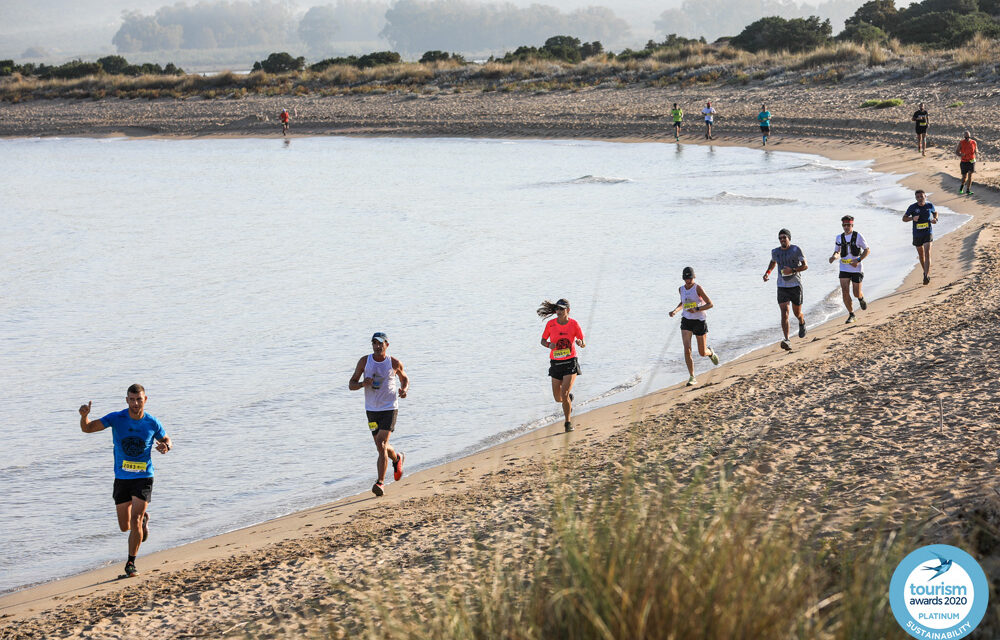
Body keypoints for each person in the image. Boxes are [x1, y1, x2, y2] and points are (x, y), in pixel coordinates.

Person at [78, 384, 172, 579]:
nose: (135, 403)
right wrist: (84, 416)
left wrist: (165, 447)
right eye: (132, 399)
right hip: (122, 478)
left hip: (144, 476)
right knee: (125, 526)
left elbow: (167, 439)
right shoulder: (116, 418)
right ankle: (144, 521)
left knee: (135, 518)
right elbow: (87, 429)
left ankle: (131, 563)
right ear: (126, 400)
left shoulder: (152, 422)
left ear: (145, 400)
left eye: (139, 399)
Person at [349, 332, 409, 497]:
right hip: (371, 411)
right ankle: (396, 458)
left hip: (389, 408)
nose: (377, 346)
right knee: (380, 446)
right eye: (374, 343)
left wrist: (404, 390)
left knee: (381, 444)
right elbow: (351, 384)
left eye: (380, 343)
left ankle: (380, 483)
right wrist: (362, 384)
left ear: (386, 345)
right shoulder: (364, 361)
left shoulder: (393, 362)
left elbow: (405, 379)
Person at [538, 298, 586, 432]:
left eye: (561, 309)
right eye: (557, 309)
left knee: (564, 394)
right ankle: (569, 400)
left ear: (568, 310)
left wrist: (580, 343)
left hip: (570, 362)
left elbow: (582, 341)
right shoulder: (551, 324)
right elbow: (542, 340)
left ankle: (567, 423)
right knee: (558, 398)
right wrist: (549, 345)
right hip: (555, 363)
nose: (558, 311)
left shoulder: (574, 324)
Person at [668, 266, 720, 386]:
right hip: (686, 321)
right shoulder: (681, 289)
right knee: (687, 349)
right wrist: (675, 311)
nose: (688, 281)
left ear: (694, 277)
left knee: (702, 352)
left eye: (690, 279)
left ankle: (710, 353)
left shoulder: (698, 288)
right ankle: (692, 377)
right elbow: (683, 303)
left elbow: (710, 304)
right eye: (686, 279)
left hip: (699, 321)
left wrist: (696, 309)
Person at [763, 228, 808, 351]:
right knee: (784, 313)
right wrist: (767, 273)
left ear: (789, 238)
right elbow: (773, 262)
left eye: (784, 237)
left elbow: (805, 266)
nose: (782, 240)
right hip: (782, 286)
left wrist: (792, 270)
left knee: (797, 313)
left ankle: (802, 322)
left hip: (795, 285)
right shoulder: (775, 252)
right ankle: (787, 339)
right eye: (780, 238)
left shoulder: (796, 249)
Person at [828, 215, 870, 324]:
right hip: (844, 268)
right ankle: (852, 314)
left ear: (852, 225)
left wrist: (858, 260)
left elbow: (867, 250)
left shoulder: (858, 236)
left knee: (856, 293)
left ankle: (860, 298)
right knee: (845, 291)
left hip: (856, 268)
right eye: (844, 225)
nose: (846, 227)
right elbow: (837, 252)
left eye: (848, 225)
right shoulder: (839, 237)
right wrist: (834, 257)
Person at [903, 189, 938, 285]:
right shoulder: (912, 207)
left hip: (928, 232)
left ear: (925, 196)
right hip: (917, 234)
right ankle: (925, 272)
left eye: (921, 196)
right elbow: (904, 218)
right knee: (921, 255)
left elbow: (935, 213)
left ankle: (926, 275)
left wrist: (935, 219)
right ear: (915, 198)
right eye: (918, 197)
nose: (920, 198)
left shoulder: (929, 205)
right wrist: (912, 218)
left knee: (927, 253)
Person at [955, 131, 977, 195]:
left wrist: (976, 152)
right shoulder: (961, 143)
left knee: (970, 175)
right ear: (964, 137)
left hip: (971, 161)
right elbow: (956, 152)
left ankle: (968, 190)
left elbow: (976, 150)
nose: (967, 139)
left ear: (970, 136)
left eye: (968, 137)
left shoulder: (974, 142)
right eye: (966, 138)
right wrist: (960, 154)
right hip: (964, 161)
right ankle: (961, 187)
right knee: (964, 177)